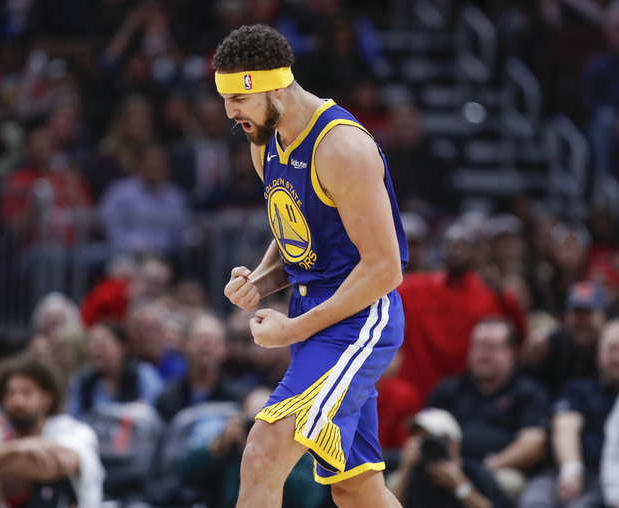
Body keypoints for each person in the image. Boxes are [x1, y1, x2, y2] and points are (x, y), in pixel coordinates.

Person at [216, 25, 408, 508]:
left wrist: (293, 329)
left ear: (276, 87)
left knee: (262, 452)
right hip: (316, 314)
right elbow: (296, 232)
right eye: (225, 98)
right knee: (356, 489)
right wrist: (259, 280)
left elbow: (385, 269)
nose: (230, 112)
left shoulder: (342, 148)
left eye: (239, 98)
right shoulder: (263, 138)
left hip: (359, 316)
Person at [0, 354, 105, 508]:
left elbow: (53, 466)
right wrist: (19, 447)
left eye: (26, 393)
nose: (17, 401)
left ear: (47, 398)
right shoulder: (0, 436)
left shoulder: (72, 430)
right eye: (10, 393)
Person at [396, 222, 527, 401]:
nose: (455, 251)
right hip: (417, 391)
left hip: (465, 397)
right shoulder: (415, 288)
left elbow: (518, 336)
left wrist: (506, 297)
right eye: (450, 244)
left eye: (463, 245)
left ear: (475, 253)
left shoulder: (491, 294)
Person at [428, 317, 550, 504]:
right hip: (446, 468)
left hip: (498, 469)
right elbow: (422, 430)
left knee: (508, 483)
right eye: (478, 345)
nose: (483, 354)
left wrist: (486, 468)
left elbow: (533, 444)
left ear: (511, 351)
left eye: (492, 347)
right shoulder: (449, 389)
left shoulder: (528, 392)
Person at [518, 319, 619, 508]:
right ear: (599, 353)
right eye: (611, 349)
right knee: (534, 502)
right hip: (565, 471)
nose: (616, 357)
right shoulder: (579, 389)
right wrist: (571, 469)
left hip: (607, 478)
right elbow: (565, 425)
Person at [178, 386, 327, 508]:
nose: (258, 428)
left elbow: (308, 497)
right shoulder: (230, 448)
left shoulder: (295, 450)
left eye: (266, 420)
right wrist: (219, 446)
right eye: (253, 420)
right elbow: (186, 476)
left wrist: (266, 458)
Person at [389, 408, 508, 508]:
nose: (427, 446)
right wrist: (404, 469)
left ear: (454, 444)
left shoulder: (475, 473)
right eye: (420, 440)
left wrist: (460, 486)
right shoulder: (414, 474)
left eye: (431, 440)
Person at [524, 281, 608, 398]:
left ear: (604, 317)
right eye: (576, 313)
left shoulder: (612, 349)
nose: (581, 321)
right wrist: (532, 363)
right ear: (565, 317)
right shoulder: (549, 347)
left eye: (587, 313)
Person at [156, 313, 245, 421]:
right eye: (200, 339)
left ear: (225, 349)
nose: (206, 346)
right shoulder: (167, 398)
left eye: (213, 340)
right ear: (185, 345)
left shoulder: (238, 399)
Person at [68, 321, 164, 418]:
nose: (95, 350)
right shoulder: (83, 381)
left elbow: (156, 416)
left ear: (122, 347)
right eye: (92, 344)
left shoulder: (143, 375)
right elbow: (74, 418)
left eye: (101, 344)